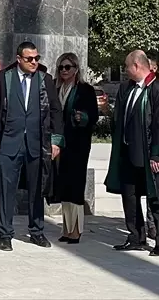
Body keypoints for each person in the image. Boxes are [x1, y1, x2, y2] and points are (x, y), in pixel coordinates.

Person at [0, 42, 63, 251]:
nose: (34, 62)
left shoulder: (45, 80)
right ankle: (5, 234)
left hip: (37, 143)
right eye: (29, 59)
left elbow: (56, 112)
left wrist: (55, 141)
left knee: (37, 189)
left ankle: (36, 231)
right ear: (19, 59)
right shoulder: (3, 78)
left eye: (37, 58)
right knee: (7, 190)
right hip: (9, 143)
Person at [104, 50, 159, 257]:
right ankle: (135, 236)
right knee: (130, 195)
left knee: (157, 198)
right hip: (129, 153)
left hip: (150, 155)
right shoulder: (127, 89)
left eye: (127, 67)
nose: (125, 71)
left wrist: (157, 155)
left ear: (137, 66)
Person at [47, 53, 98, 244]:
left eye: (67, 67)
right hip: (59, 144)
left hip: (77, 144)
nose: (64, 71)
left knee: (76, 185)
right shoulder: (55, 87)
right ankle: (66, 228)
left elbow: (92, 115)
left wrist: (82, 118)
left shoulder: (85, 90)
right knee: (63, 186)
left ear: (76, 68)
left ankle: (77, 229)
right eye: (61, 67)